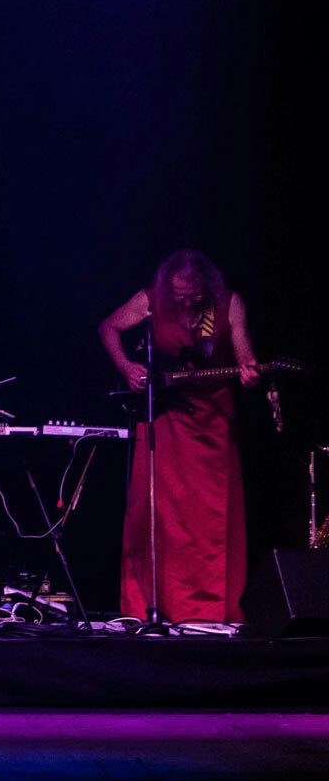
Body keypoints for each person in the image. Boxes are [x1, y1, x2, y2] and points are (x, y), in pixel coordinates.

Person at [98, 248, 260, 624]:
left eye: (194, 296)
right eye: (180, 296)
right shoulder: (152, 299)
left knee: (209, 520)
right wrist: (126, 367)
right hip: (165, 419)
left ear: (207, 286)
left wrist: (251, 373)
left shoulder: (228, 303)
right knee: (159, 516)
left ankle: (210, 612)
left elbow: (245, 355)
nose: (186, 302)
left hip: (214, 420)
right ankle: (154, 607)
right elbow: (108, 327)